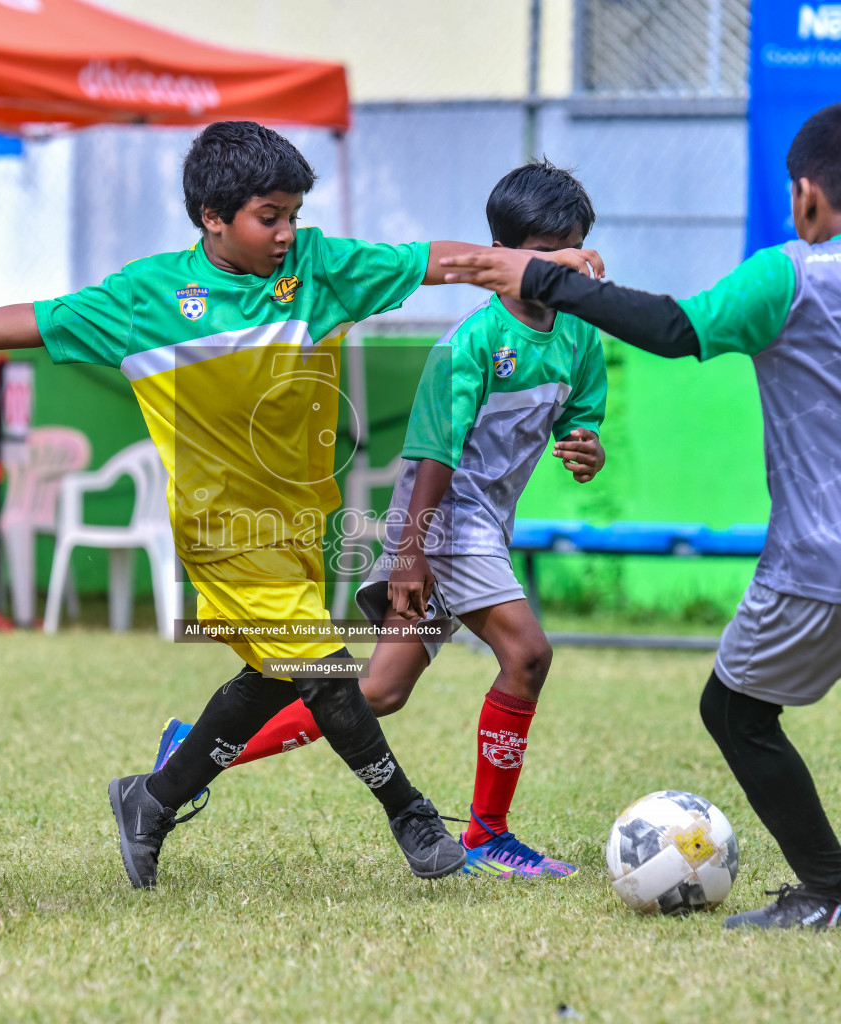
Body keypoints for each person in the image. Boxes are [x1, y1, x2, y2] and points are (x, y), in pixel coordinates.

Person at [440, 102, 841, 932]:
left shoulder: (787, 274)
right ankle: (835, 892)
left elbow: (672, 330)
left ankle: (836, 892)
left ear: (807, 199)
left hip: (829, 564)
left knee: (735, 713)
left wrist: (543, 277)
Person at [0, 121, 603, 888]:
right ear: (213, 217)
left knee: (277, 678)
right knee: (327, 672)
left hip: (295, 527)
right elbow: (36, 322)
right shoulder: (147, 297)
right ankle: (414, 819)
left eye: (293, 215)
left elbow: (444, 262)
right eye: (269, 217)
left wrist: (537, 267)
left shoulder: (319, 268)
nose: (287, 233)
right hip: (220, 530)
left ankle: (152, 800)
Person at [152, 160, 608, 879]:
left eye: (575, 245)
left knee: (379, 691)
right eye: (549, 250)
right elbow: (430, 458)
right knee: (527, 656)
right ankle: (489, 835)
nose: (567, 263)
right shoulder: (472, 343)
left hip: (482, 526)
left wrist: (585, 446)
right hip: (443, 523)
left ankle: (196, 748)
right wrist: (410, 556)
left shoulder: (580, 337)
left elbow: (578, 420)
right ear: (507, 255)